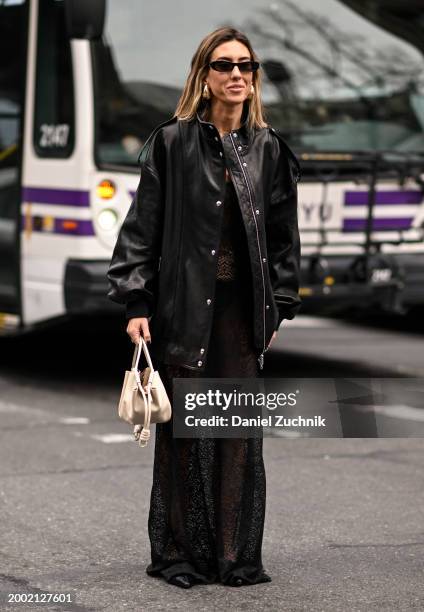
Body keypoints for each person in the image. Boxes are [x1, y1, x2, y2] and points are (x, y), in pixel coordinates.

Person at [107, 26, 301, 589]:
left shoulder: (270, 148)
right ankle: (179, 555)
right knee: (185, 435)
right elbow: (141, 228)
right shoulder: (170, 143)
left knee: (236, 434)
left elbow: (286, 240)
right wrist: (136, 298)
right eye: (224, 65)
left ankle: (235, 556)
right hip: (184, 310)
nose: (237, 74)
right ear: (204, 75)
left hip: (242, 317)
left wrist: (280, 308)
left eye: (247, 65)